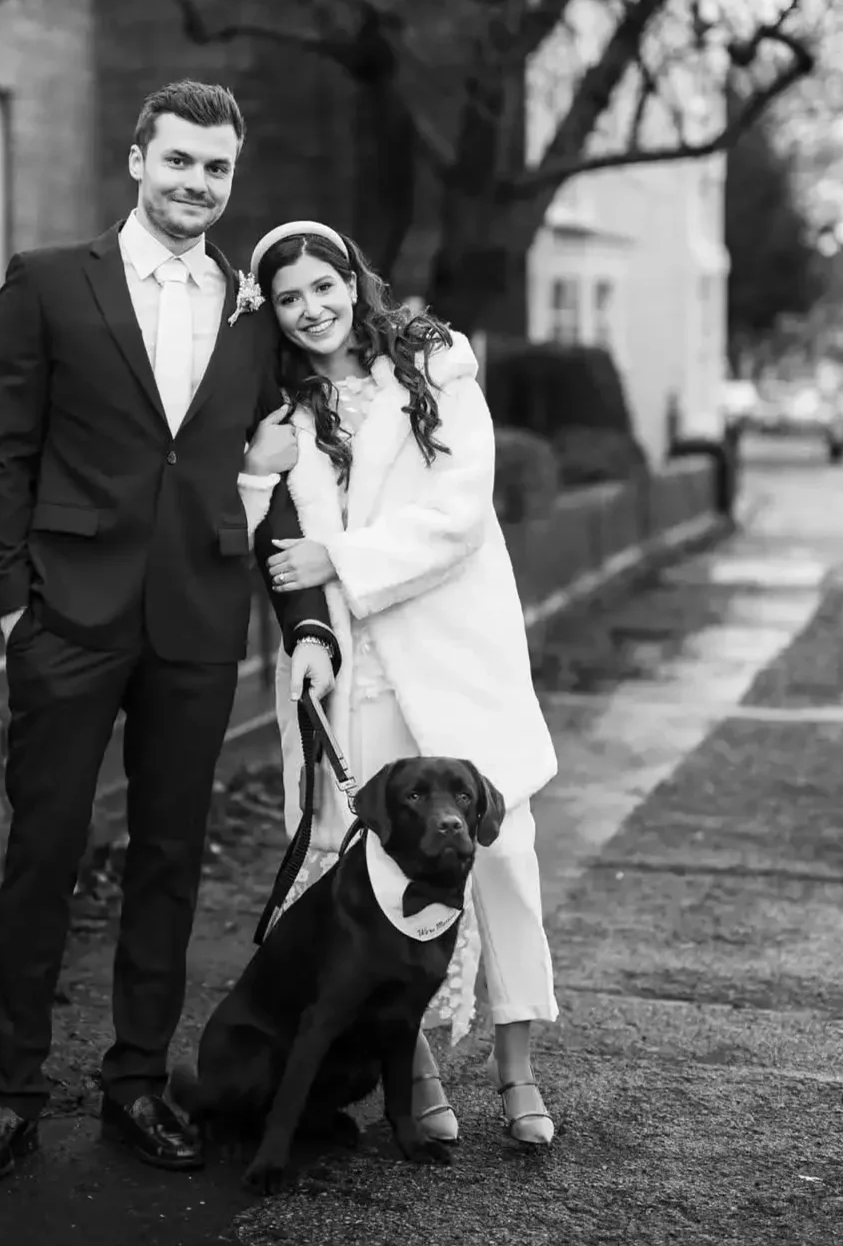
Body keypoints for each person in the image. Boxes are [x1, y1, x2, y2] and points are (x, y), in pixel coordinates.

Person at [0, 86, 339, 1187]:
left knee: (170, 858)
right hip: (67, 610)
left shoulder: (253, 308)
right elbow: (0, 447)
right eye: (177, 161)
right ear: (136, 160)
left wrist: (300, 615)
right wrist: (12, 596)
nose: (195, 185)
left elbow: (278, 471)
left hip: (197, 616)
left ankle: (134, 1082)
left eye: (215, 170)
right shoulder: (46, 281)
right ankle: (8, 1094)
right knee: (44, 853)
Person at [239, 220, 559, 1149]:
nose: (311, 310)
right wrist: (257, 483)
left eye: (323, 287)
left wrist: (337, 555)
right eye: (290, 297)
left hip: (453, 651)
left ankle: (517, 1072)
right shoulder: (285, 415)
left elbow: (458, 517)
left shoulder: (435, 368)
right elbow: (275, 554)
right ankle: (413, 1078)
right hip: (354, 671)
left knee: (499, 858)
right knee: (370, 872)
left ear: (352, 279)